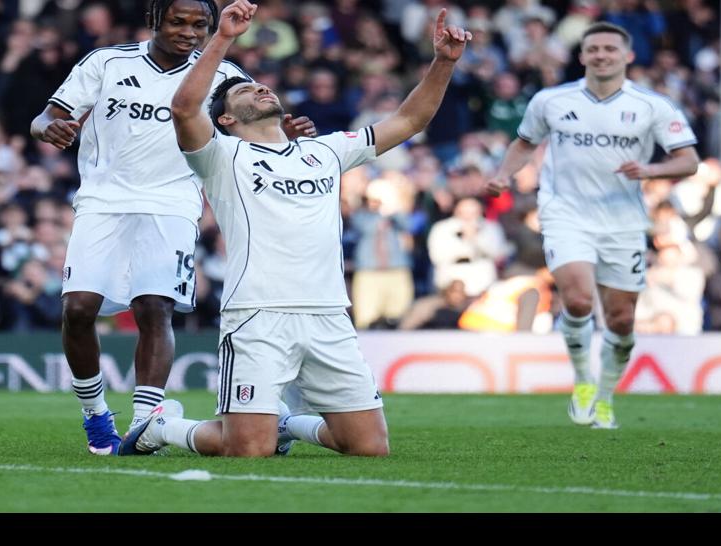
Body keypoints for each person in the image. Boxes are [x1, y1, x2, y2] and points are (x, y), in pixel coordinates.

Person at [120, 0, 472, 457]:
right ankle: (161, 426)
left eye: (262, 86)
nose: (259, 89)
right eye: (244, 93)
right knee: (248, 451)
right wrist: (223, 37)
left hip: (329, 313)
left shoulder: (326, 150)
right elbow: (185, 109)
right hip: (258, 314)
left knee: (368, 448)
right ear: (225, 119)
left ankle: (287, 423)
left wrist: (442, 62)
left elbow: (409, 120)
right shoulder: (221, 157)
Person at [28, 0, 315, 454]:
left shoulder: (223, 73)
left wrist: (288, 131)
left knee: (154, 307)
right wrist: (49, 128)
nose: (190, 32)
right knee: (79, 309)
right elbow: (46, 116)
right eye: (178, 22)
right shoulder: (107, 61)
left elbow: (252, 123)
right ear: (154, 21)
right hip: (103, 200)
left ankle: (146, 422)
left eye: (200, 24)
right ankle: (95, 414)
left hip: (174, 202)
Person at [482, 22, 698, 429]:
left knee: (620, 320)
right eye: (593, 49)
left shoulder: (653, 105)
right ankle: (583, 380)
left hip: (624, 222)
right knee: (578, 301)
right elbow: (525, 143)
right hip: (566, 214)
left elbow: (688, 160)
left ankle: (605, 396)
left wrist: (650, 169)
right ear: (581, 56)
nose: (601, 55)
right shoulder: (551, 100)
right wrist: (504, 174)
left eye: (609, 49)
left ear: (628, 56)